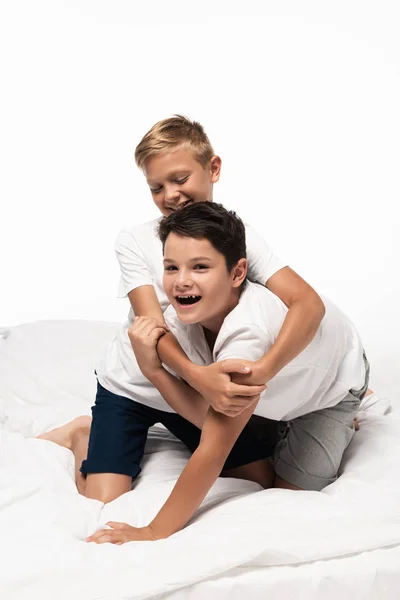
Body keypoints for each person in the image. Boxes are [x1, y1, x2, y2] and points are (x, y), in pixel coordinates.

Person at [38, 115, 326, 504]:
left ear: (213, 168)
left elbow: (305, 302)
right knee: (103, 500)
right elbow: (151, 327)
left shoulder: (236, 236)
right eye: (156, 187)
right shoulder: (134, 241)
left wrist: (268, 370)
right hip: (135, 383)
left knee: (258, 480)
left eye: (179, 179)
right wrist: (199, 374)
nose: (170, 194)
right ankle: (82, 434)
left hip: (187, 394)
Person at [87, 202, 369, 544]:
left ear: (237, 274)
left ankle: (340, 415)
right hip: (282, 386)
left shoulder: (246, 338)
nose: (181, 282)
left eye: (200, 267)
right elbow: (211, 421)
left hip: (332, 389)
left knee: (295, 497)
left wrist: (154, 530)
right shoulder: (185, 316)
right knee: (239, 418)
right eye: (171, 268)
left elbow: (213, 449)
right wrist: (156, 372)